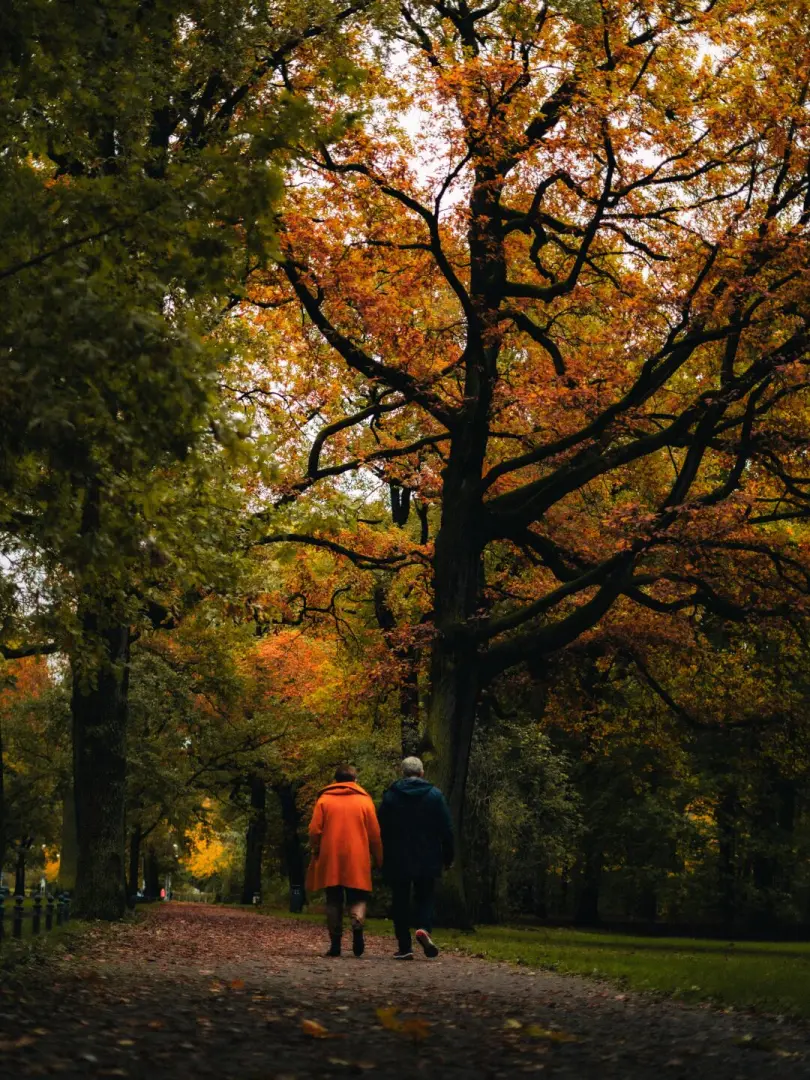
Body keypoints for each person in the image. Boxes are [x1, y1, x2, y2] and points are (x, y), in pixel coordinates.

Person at [378, 756, 454, 960]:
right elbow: (446, 829)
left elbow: (381, 827)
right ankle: (423, 928)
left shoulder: (391, 795)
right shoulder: (435, 795)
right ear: (421, 773)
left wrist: (382, 853)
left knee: (400, 900)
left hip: (398, 855)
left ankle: (405, 946)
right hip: (428, 854)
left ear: (403, 773)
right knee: (426, 895)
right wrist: (448, 856)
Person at [306, 764, 383, 957]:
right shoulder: (365, 801)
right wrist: (379, 858)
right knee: (358, 897)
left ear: (335, 780)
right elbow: (374, 834)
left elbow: (315, 830)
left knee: (333, 899)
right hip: (357, 857)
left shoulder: (324, 800)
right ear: (355, 780)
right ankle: (357, 927)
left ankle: (335, 945)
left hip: (330, 856)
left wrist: (316, 849)